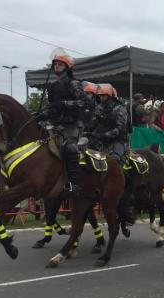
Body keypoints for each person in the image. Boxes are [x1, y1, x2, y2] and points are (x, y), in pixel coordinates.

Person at [42, 48, 93, 194]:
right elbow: (53, 107)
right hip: (56, 124)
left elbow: (86, 103)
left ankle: (73, 184)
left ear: (67, 67)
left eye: (60, 64)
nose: (57, 66)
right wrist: (41, 115)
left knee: (69, 148)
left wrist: (65, 104)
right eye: (55, 64)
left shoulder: (74, 83)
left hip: (73, 125)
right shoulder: (53, 86)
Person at [93, 83, 134, 224]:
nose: (101, 97)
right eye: (100, 95)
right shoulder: (98, 108)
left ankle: (126, 190)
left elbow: (120, 129)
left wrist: (104, 135)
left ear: (110, 96)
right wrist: (88, 133)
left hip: (119, 141)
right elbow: (93, 124)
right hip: (102, 141)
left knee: (115, 162)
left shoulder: (120, 109)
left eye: (103, 95)